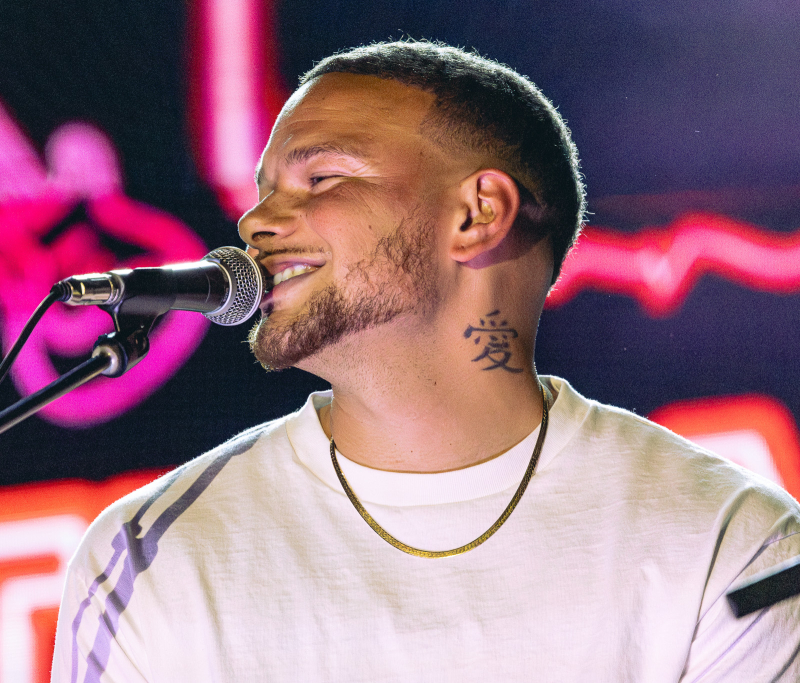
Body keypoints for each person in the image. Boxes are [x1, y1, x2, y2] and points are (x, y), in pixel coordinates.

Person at [51, 41, 800, 682]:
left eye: (321, 179)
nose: (254, 222)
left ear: (477, 214)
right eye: (263, 191)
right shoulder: (148, 553)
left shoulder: (728, 543)